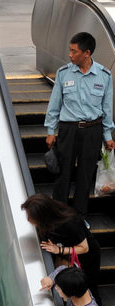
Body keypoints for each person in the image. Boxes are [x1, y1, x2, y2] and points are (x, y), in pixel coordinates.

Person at [45, 31, 115, 216]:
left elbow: (107, 109)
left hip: (93, 131)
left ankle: (79, 218)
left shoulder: (104, 76)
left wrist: (108, 136)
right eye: (70, 50)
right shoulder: (63, 73)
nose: (70, 55)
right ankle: (58, 216)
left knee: (85, 177)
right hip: (69, 130)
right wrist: (51, 131)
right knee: (63, 176)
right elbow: (54, 105)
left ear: (87, 53)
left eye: (74, 51)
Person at [21, 193, 102, 306]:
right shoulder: (49, 222)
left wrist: (59, 250)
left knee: (87, 289)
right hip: (66, 252)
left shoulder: (70, 223)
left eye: (31, 217)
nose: (28, 219)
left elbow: (84, 248)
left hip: (86, 258)